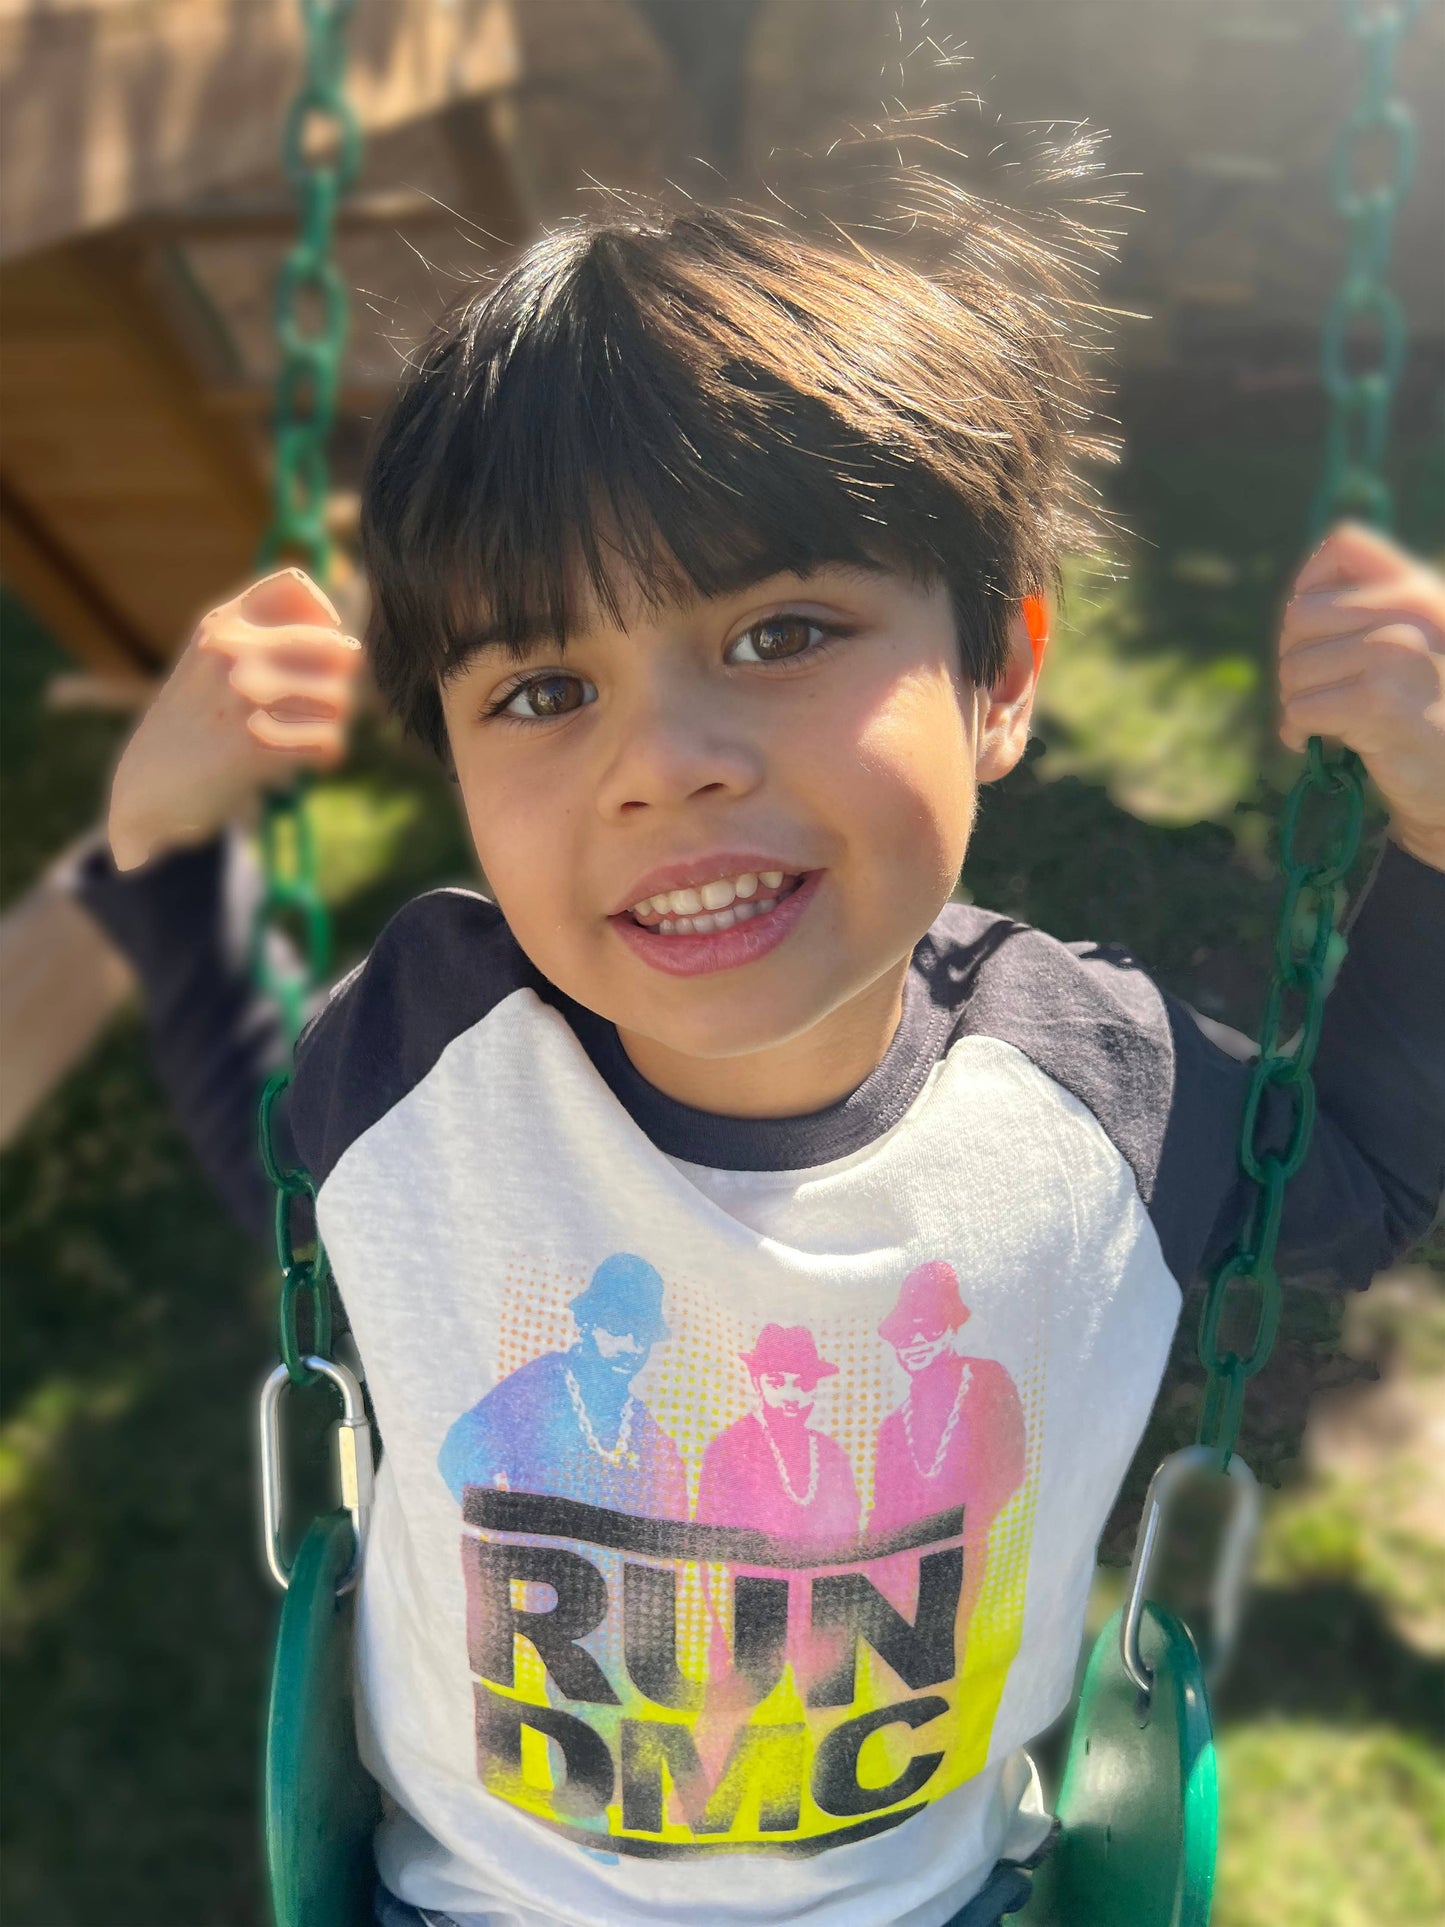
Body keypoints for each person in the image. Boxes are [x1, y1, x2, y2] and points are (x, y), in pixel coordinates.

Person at [79, 166, 1445, 1927]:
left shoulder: (1092, 1098)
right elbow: (258, 1141)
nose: (669, 762)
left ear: (998, 675)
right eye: (545, 691)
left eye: (780, 632)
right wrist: (167, 840)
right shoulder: (439, 1059)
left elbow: (1346, 1174)